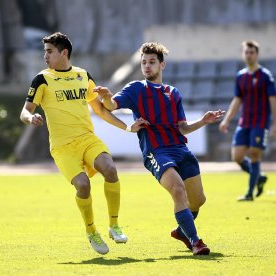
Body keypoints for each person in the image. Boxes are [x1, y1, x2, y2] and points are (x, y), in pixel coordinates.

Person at [95, 42, 225, 255]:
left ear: (162, 65)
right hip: (156, 151)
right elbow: (110, 106)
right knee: (177, 189)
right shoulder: (135, 89)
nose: (147, 66)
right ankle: (195, 241)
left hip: (180, 149)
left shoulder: (173, 93)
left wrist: (203, 121)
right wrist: (107, 96)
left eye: (152, 62)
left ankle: (182, 231)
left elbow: (182, 128)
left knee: (198, 200)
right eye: (144, 62)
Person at [20, 32, 144, 255]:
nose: (45, 56)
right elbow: (25, 110)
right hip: (62, 147)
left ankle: (114, 225)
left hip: (87, 139)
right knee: (83, 185)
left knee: (110, 169)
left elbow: (100, 110)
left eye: (49, 51)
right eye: (44, 52)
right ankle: (91, 230)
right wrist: (31, 118)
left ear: (63, 52)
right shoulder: (41, 79)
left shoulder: (83, 76)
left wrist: (127, 127)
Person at [219, 40, 276, 201]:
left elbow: (273, 99)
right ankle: (259, 177)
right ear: (243, 55)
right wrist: (226, 120)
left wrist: (274, 123)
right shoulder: (241, 76)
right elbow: (237, 100)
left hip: (261, 122)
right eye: (246, 52)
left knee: (254, 154)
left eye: (252, 52)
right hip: (244, 122)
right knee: (237, 157)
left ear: (257, 54)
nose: (249, 55)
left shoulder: (265, 76)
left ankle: (250, 193)